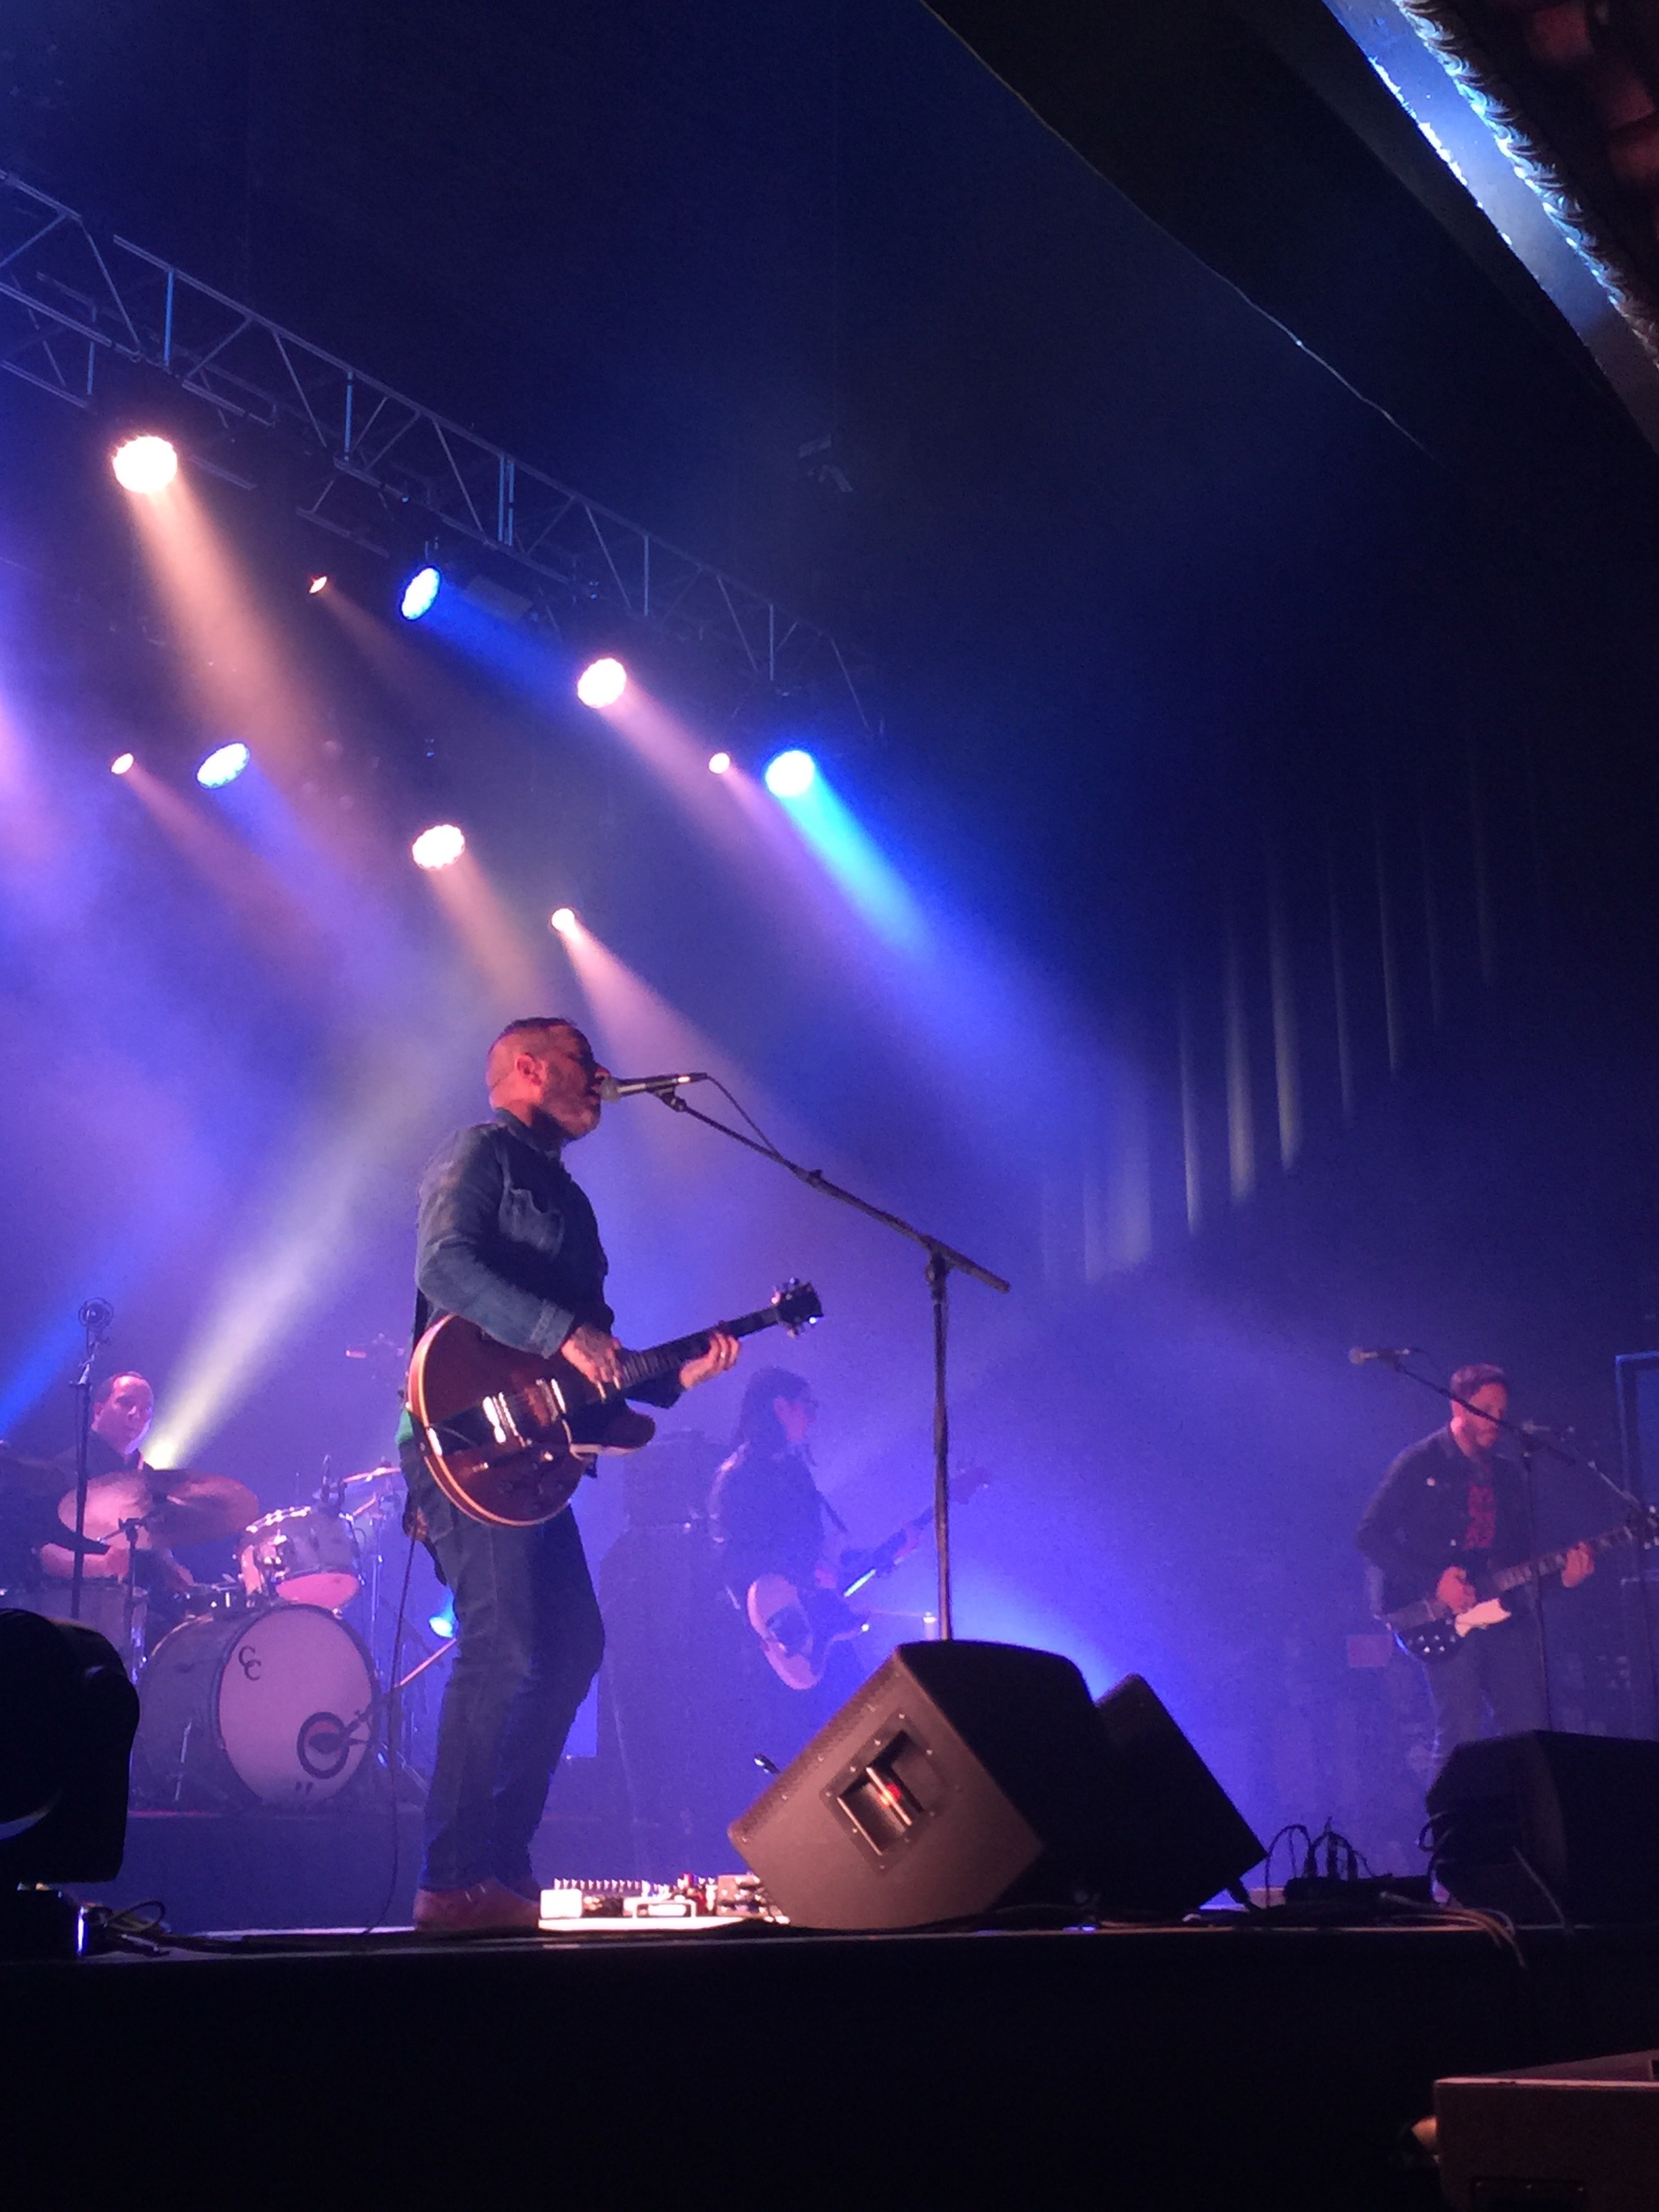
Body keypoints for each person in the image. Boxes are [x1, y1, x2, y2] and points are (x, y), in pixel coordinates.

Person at [402, 1016, 740, 1934]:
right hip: (464, 1436)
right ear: (528, 1067)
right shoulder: (480, 1155)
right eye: (584, 1062)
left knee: (572, 1647)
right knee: (501, 1643)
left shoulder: (575, 1205)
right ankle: (449, 1878)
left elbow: (587, 1369)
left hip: (536, 1455)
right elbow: (444, 1265)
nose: (601, 1078)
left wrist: (670, 1380)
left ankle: (498, 1863)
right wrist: (563, 1332)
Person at [1356, 1363, 1593, 1773]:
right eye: (1486, 1409)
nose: (1496, 1421)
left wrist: (1563, 1578)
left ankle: (1527, 1813)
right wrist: (1433, 1582)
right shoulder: (1420, 1463)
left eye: (1502, 1412)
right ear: (1458, 1406)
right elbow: (1369, 1536)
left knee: (1529, 1733)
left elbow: (1521, 1562)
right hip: (1442, 1618)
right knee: (1460, 1735)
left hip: (1504, 1615)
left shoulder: (1508, 1474)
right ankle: (1450, 1815)